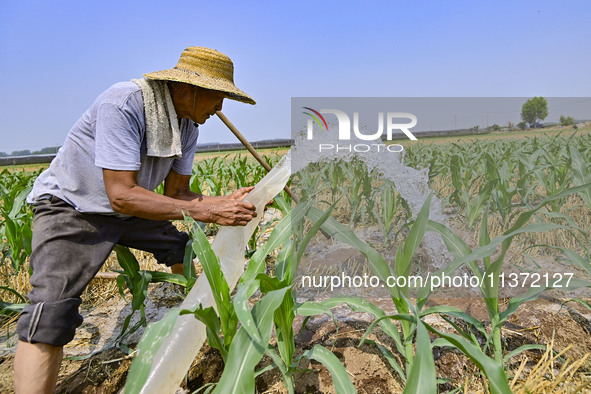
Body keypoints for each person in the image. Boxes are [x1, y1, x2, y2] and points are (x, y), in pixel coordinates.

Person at [14, 46, 257, 393]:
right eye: (217, 99)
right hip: (74, 206)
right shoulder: (124, 103)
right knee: (51, 310)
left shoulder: (187, 126)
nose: (219, 110)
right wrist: (209, 211)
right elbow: (121, 194)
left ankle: (191, 322)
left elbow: (178, 195)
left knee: (183, 249)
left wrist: (223, 201)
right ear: (189, 91)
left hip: (129, 208)